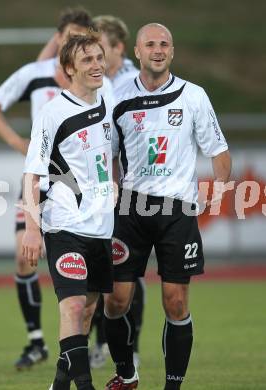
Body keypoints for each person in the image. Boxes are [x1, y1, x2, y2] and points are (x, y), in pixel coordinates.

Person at [104, 23, 231, 390]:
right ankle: (127, 374)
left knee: (175, 302)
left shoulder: (193, 96)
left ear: (172, 52)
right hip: (130, 208)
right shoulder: (117, 97)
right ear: (138, 53)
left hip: (177, 210)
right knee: (115, 300)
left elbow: (219, 151)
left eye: (164, 44)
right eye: (150, 44)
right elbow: (107, 154)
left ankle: (172, 387)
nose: (158, 49)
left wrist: (220, 188)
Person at [0, 7, 96, 370]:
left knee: (92, 267)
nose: (74, 44)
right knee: (23, 255)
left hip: (79, 185)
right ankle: (36, 341)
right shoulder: (35, 74)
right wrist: (18, 142)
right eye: (68, 37)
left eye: (82, 38)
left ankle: (86, 342)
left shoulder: (95, 80)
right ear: (58, 39)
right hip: (39, 179)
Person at [22, 33, 114, 390]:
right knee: (73, 308)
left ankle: (60, 384)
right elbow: (33, 173)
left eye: (98, 57)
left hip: (102, 227)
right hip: (65, 226)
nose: (96, 65)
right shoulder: (53, 112)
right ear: (69, 69)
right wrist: (32, 228)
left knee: (87, 312)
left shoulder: (108, 98)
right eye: (87, 60)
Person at [89, 15, 143, 370]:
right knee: (96, 265)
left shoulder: (132, 84)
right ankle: (101, 343)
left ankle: (131, 344)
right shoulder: (93, 84)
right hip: (99, 189)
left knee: (127, 270)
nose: (95, 55)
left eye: (102, 48)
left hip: (128, 190)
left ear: (119, 48)